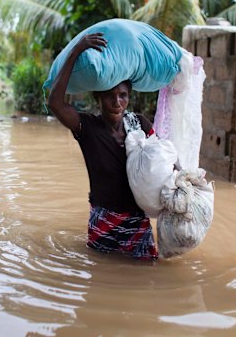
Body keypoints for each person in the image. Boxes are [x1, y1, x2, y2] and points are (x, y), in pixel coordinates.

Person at [48, 32, 158, 260]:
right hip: (104, 222)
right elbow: (55, 103)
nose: (117, 102)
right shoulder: (87, 127)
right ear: (99, 98)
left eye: (123, 95)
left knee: (147, 279)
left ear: (129, 97)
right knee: (100, 278)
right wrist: (76, 50)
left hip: (138, 223)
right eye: (110, 96)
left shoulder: (140, 124)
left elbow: (162, 159)